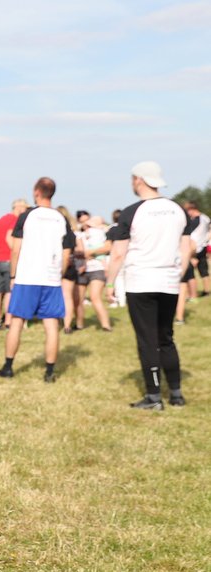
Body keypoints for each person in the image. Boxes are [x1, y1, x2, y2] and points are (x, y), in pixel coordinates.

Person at [106, 162, 194, 409]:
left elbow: (118, 254)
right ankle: (176, 393)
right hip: (168, 281)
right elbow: (186, 247)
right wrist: (179, 271)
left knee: (147, 340)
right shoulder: (177, 209)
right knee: (166, 337)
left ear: (139, 180)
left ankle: (154, 396)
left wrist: (110, 283)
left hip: (141, 281)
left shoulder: (132, 211)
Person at [0, 177, 75, 383]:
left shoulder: (27, 216)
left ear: (36, 192)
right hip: (51, 278)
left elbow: (16, 249)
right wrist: (58, 273)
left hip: (27, 276)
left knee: (16, 321)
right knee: (51, 325)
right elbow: (67, 253)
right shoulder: (61, 218)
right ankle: (49, 372)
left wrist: (13, 276)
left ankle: (8, 366)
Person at [0, 201, 28, 330]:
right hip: (8, 259)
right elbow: (9, 238)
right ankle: (8, 321)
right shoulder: (15, 220)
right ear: (19, 207)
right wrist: (18, 252)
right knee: (9, 291)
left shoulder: (1, 220)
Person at [75, 216, 112, 331]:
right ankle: (79, 324)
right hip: (83, 269)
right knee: (78, 299)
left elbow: (106, 248)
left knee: (95, 297)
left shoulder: (101, 233)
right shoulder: (80, 235)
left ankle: (106, 325)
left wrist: (89, 252)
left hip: (97, 268)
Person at [182, 201, 209, 298]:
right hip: (201, 247)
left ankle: (193, 294)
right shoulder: (205, 218)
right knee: (203, 271)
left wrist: (192, 256)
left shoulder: (195, 221)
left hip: (194, 248)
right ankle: (206, 291)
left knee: (191, 273)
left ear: (192, 209)